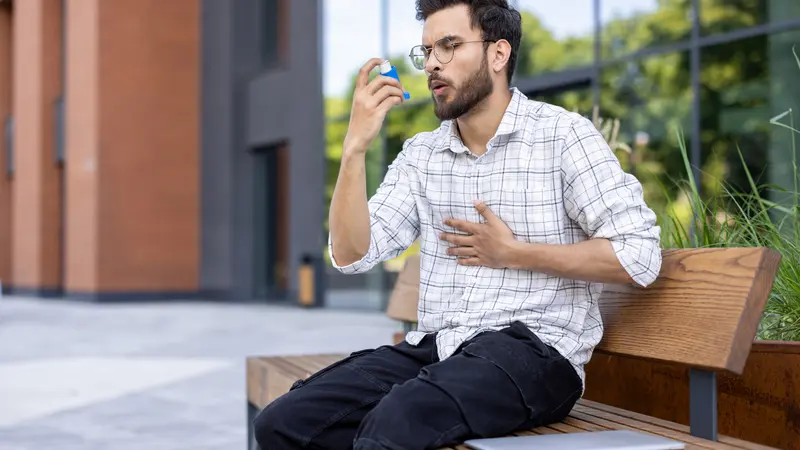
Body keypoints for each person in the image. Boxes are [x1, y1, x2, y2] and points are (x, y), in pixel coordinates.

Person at [254, 0, 662, 448]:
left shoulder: (563, 136)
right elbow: (353, 255)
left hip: (535, 353)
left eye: (449, 46)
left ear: (498, 53)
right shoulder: (421, 155)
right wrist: (354, 150)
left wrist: (513, 253)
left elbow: (638, 254)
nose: (432, 64)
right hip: (440, 346)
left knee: (396, 422)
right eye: (428, 50)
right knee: (285, 421)